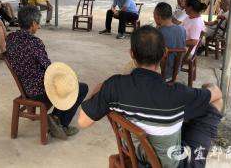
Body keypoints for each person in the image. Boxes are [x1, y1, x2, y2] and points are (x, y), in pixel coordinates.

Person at [77, 25, 223, 168]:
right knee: (214, 105)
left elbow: (83, 122)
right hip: (172, 163)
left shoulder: (114, 85)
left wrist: (98, 88)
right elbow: (216, 94)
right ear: (165, 53)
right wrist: (207, 87)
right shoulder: (178, 93)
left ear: (132, 54)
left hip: (135, 153)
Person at [6, 6, 88, 139]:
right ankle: (59, 122)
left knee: (67, 83)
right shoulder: (35, 43)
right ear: (33, 24)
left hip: (25, 87)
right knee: (80, 88)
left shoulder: (11, 38)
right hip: (38, 91)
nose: (38, 26)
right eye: (38, 23)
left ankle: (55, 118)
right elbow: (48, 67)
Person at [154, 2, 186, 78]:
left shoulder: (157, 33)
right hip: (176, 70)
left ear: (157, 16)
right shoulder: (182, 29)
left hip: (161, 71)